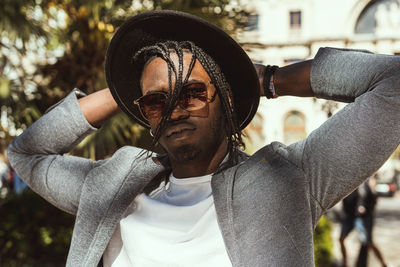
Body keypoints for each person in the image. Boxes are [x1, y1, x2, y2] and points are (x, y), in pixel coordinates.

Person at [7, 10, 400, 267]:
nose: (175, 109)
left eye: (191, 93)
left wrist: (268, 79)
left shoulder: (290, 179)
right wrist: (126, 90)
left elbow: (393, 83)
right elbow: (27, 153)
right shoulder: (113, 185)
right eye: (158, 102)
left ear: (225, 97)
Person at [355, 177, 388, 267]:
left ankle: (383, 263)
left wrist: (364, 207)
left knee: (368, 241)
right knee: (364, 241)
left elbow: (373, 198)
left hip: (367, 216)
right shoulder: (358, 181)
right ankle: (361, 263)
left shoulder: (370, 181)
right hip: (357, 216)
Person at [339, 189, 359, 267]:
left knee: (367, 241)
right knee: (341, 239)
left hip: (358, 216)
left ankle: (384, 263)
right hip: (348, 216)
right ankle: (345, 264)